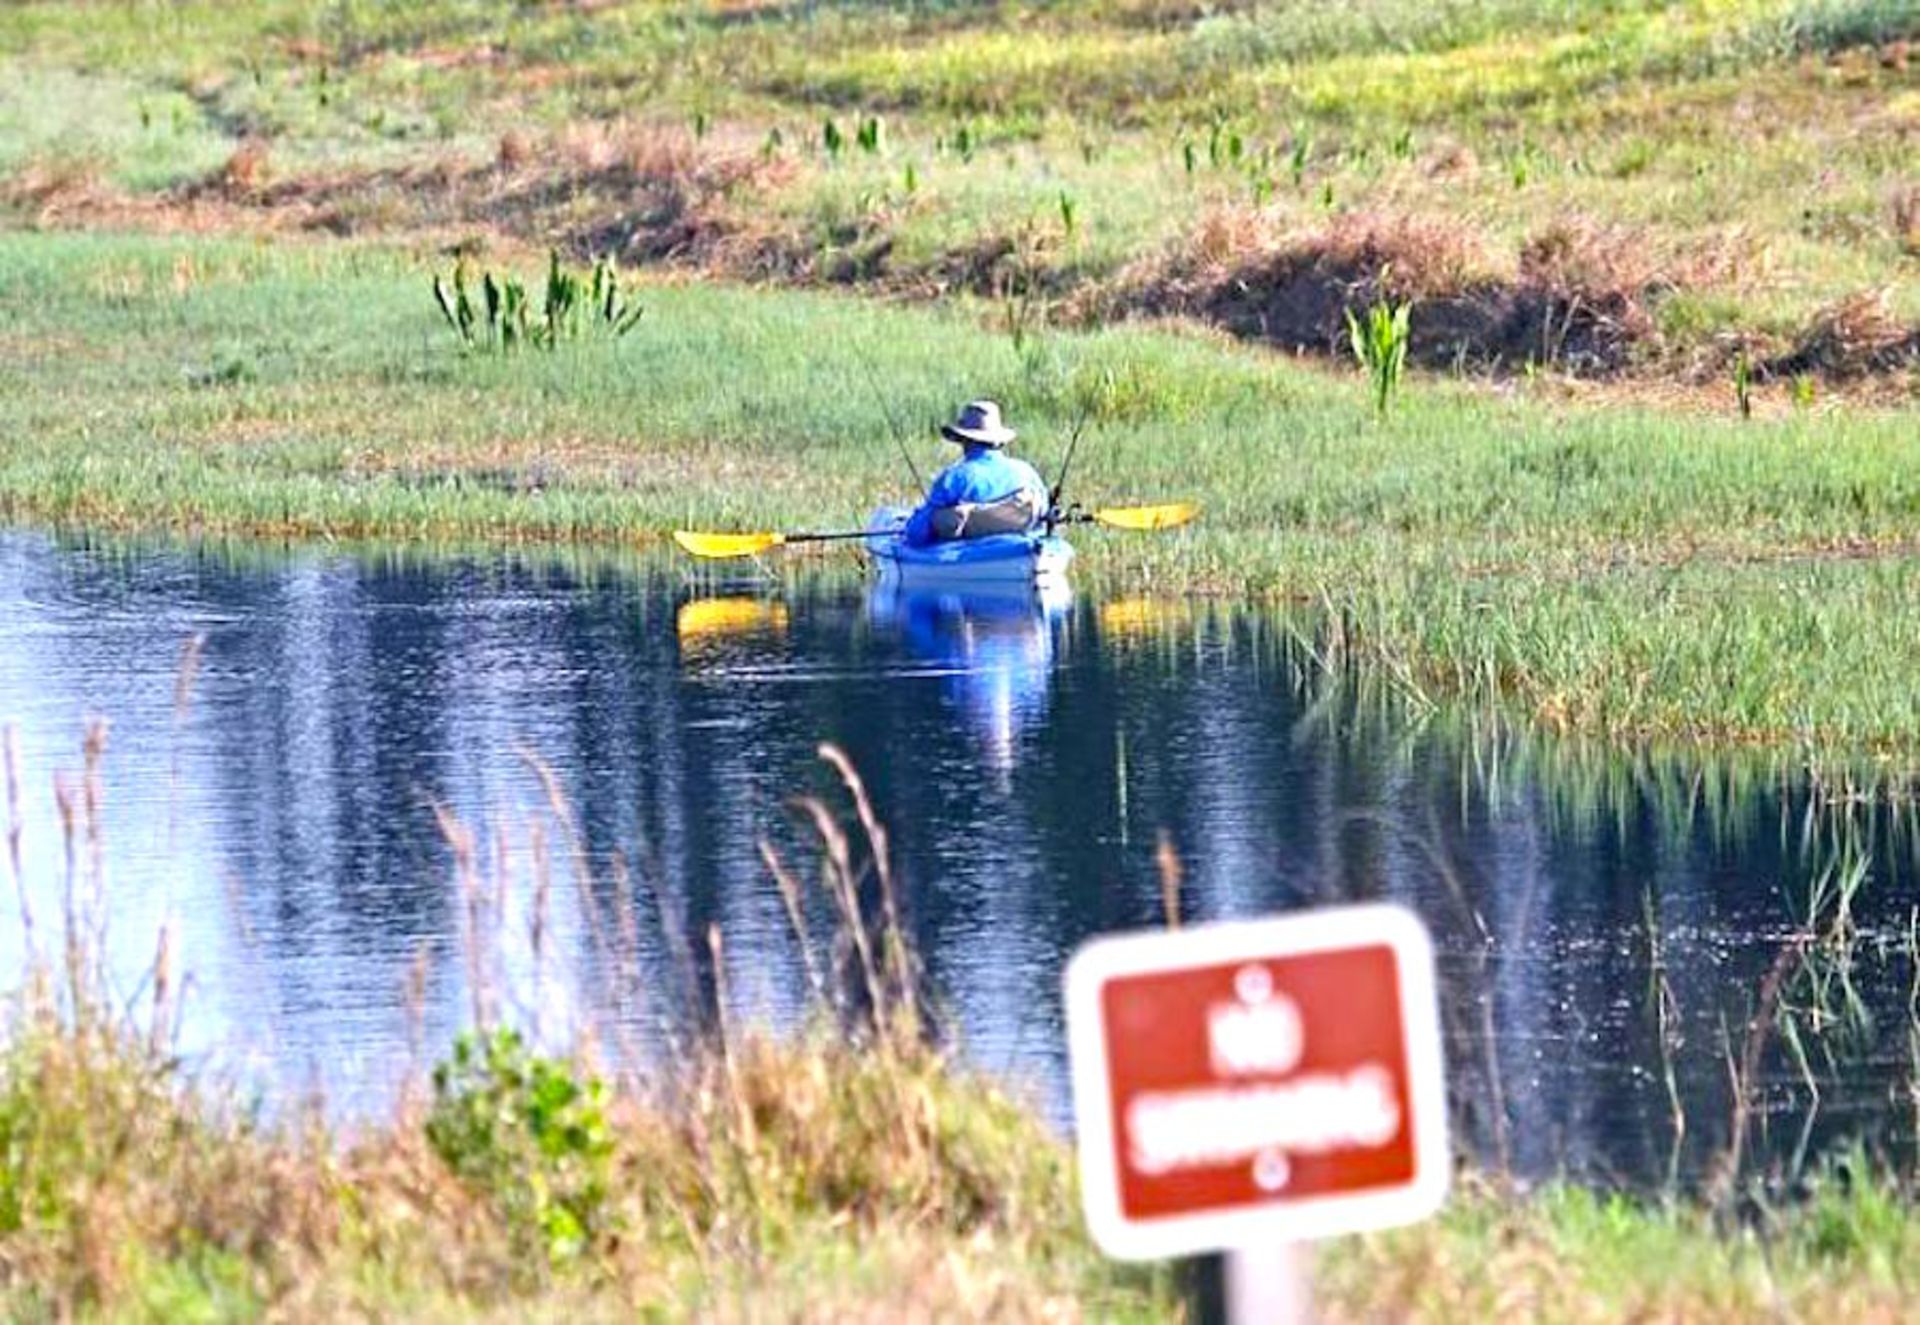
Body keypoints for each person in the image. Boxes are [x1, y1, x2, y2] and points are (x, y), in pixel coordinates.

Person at [902, 400, 1050, 547]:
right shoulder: (1026, 471)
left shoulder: (953, 479)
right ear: (998, 440)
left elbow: (916, 535)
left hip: (967, 558)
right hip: (1023, 548)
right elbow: (1044, 514)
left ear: (964, 440)